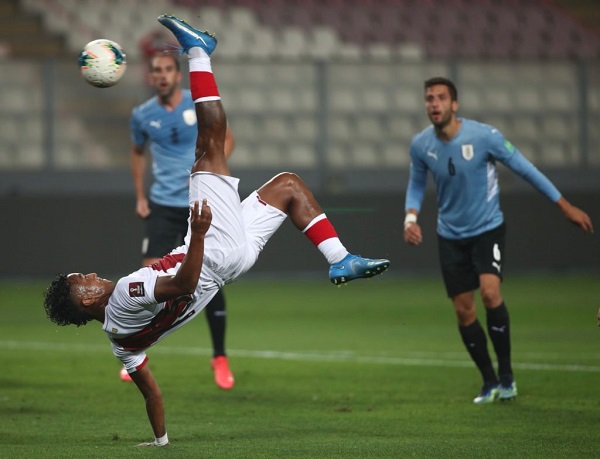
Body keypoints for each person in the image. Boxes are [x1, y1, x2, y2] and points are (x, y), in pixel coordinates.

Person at [43, 14, 390, 447]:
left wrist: (160, 440)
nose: (93, 275)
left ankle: (340, 258)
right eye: (86, 279)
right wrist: (201, 231)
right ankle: (198, 50)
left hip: (230, 262)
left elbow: (150, 390)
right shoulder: (129, 291)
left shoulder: (120, 345)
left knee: (287, 186)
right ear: (89, 297)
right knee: (210, 142)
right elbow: (184, 282)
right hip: (212, 251)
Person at [403, 76, 593, 404]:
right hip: (450, 235)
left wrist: (564, 206)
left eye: (440, 98)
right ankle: (489, 381)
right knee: (464, 311)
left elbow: (525, 169)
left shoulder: (484, 137)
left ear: (454, 104)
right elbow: (417, 183)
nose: (433, 104)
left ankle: (507, 376)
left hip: (487, 229)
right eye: (429, 98)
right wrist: (410, 218)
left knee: (491, 294)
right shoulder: (421, 145)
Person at [127, 51, 236, 389]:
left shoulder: (197, 104)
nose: (161, 75)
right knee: (149, 277)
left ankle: (219, 357)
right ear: (151, 77)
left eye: (167, 70)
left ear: (177, 75)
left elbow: (226, 139)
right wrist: (141, 196)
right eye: (156, 70)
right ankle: (139, 350)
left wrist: (208, 169)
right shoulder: (142, 115)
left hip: (197, 201)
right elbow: (137, 153)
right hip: (162, 205)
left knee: (210, 276)